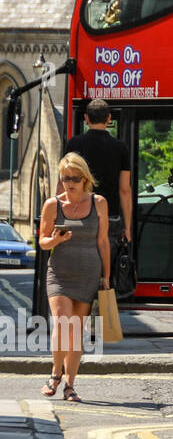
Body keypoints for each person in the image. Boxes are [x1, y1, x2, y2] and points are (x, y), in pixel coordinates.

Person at [37, 153, 110, 403]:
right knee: (62, 323)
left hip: (88, 273)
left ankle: (70, 386)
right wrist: (55, 240)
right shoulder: (52, 205)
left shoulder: (99, 203)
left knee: (76, 331)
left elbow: (102, 242)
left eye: (75, 178)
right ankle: (55, 374)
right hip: (59, 273)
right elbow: (42, 242)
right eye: (65, 178)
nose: (69, 183)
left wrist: (106, 276)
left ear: (85, 179)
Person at [65, 99, 132, 262]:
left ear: (86, 118)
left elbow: (64, 184)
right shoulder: (120, 147)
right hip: (110, 217)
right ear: (109, 119)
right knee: (105, 266)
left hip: (79, 215)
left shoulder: (74, 143)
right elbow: (124, 190)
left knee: (81, 264)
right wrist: (127, 227)